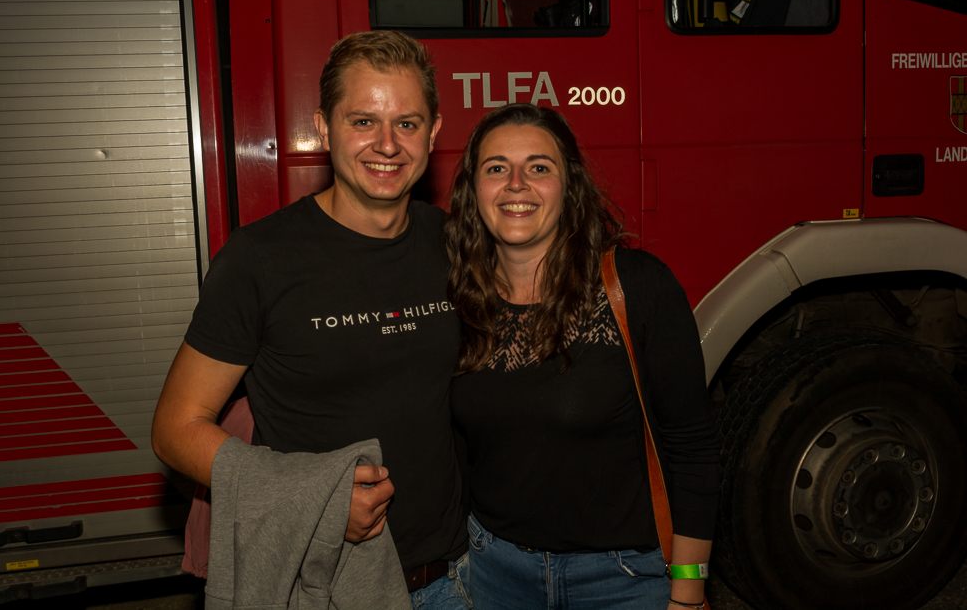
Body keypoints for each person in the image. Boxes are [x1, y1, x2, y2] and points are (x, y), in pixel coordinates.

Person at [151, 30, 469, 608]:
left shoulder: (453, 244)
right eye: (363, 121)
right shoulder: (259, 259)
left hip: (454, 578)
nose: (387, 144)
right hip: (321, 584)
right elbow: (175, 428)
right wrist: (314, 499)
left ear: (433, 133)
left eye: (406, 123)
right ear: (323, 128)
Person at [445, 103, 721, 610]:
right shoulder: (459, 299)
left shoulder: (638, 286)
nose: (516, 184)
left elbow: (693, 449)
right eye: (497, 168)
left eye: (539, 167)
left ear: (569, 186)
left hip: (623, 581)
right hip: (494, 575)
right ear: (474, 190)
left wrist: (687, 590)